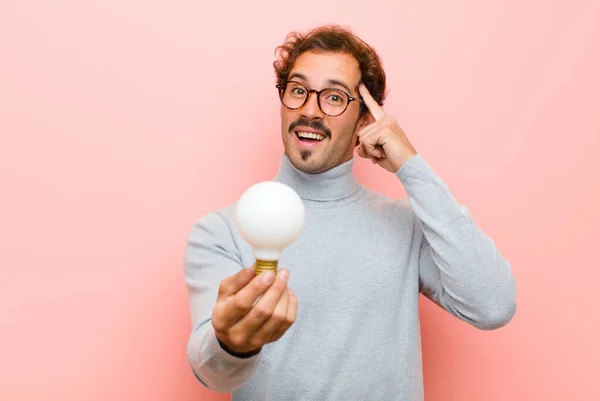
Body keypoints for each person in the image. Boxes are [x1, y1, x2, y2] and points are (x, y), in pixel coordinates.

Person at [184, 25, 517, 401]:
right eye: (297, 91)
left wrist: (412, 166)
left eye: (334, 97)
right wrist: (231, 343)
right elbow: (212, 373)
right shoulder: (222, 232)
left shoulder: (406, 227)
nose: (310, 110)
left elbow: (493, 305)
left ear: (365, 119)